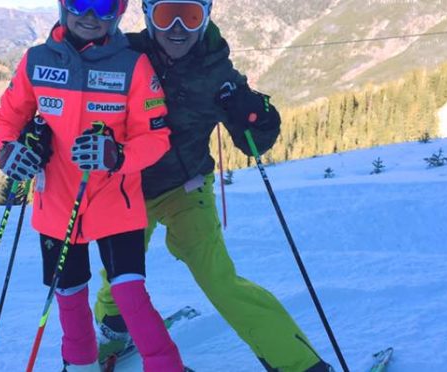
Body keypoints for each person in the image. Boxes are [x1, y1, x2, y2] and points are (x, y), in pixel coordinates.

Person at [93, 1, 335, 371]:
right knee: (120, 273)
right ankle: (113, 328)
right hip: (128, 189)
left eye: (189, 17)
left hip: (185, 190)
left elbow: (253, 140)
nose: (177, 28)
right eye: (165, 15)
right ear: (146, 16)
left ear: (205, 18)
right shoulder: (125, 55)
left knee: (220, 281)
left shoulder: (215, 70)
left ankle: (298, 364)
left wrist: (257, 117)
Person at [0, 0, 185, 371]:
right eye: (81, 2)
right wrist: (8, 152)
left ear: (119, 11)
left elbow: (156, 137)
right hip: (57, 204)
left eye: (105, 5)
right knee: (69, 296)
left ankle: (165, 365)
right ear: (63, 6)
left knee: (129, 295)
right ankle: (80, 365)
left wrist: (117, 156)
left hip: (117, 202)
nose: (92, 16)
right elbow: (9, 119)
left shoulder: (133, 66)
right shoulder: (36, 62)